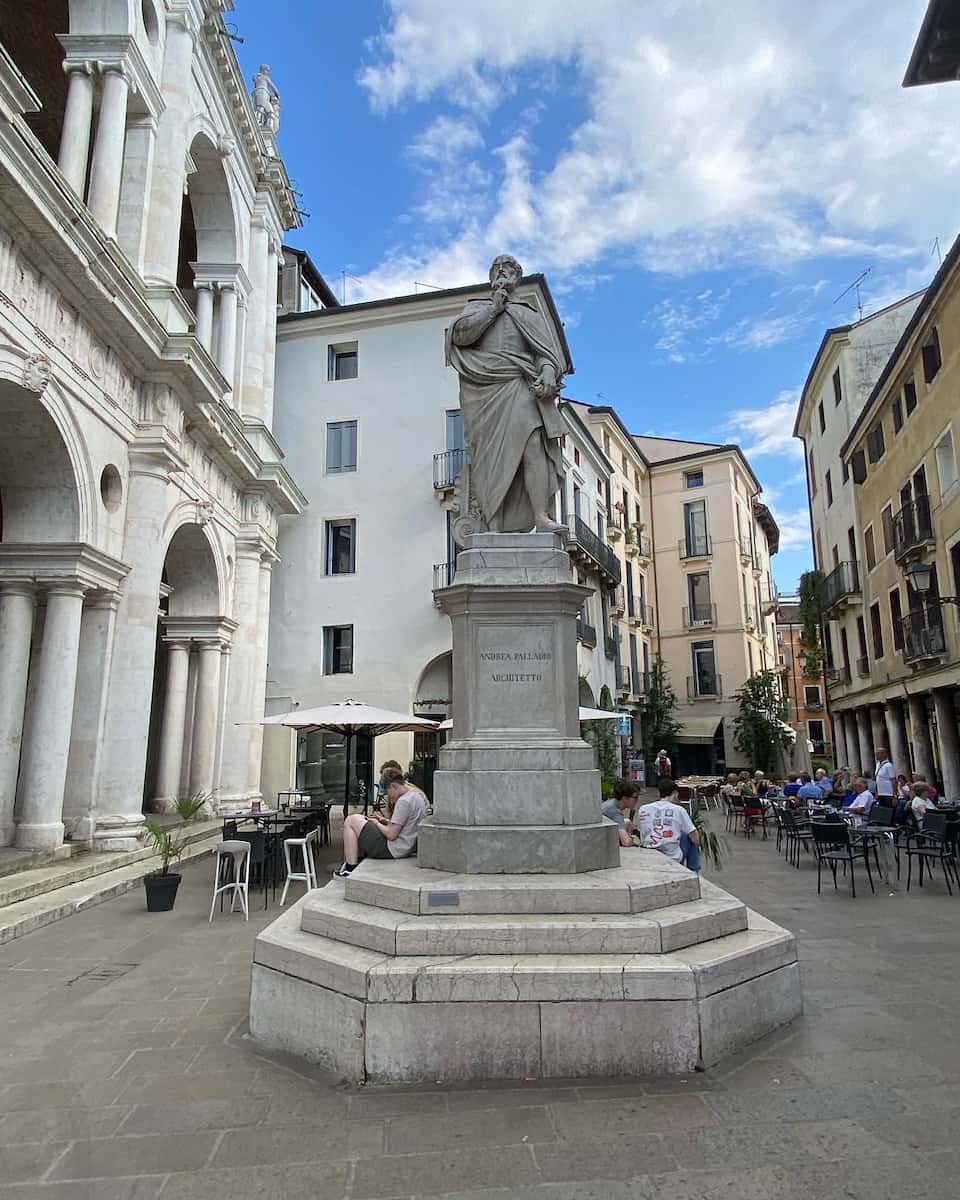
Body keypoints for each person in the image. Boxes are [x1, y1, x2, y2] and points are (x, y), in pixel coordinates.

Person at [447, 254, 567, 533]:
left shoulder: (528, 313)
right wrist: (493, 310)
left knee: (534, 444)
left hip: (518, 382)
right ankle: (494, 525)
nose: (502, 272)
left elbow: (545, 354)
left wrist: (548, 372)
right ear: (491, 277)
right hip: (483, 390)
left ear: (517, 277)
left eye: (509, 268)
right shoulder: (475, 308)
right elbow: (460, 337)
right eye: (497, 268)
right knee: (489, 458)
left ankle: (540, 517)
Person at [334, 770, 424, 877]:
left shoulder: (403, 801)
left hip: (393, 849)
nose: (388, 797)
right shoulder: (416, 795)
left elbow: (391, 834)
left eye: (387, 792)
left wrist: (377, 823)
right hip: (405, 847)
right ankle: (354, 861)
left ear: (393, 786)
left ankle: (349, 868)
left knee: (351, 821)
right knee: (360, 820)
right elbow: (405, 825)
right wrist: (384, 820)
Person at [633, 778, 699, 866]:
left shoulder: (643, 808)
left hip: (648, 853)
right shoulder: (679, 810)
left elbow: (641, 831)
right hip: (672, 857)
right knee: (688, 835)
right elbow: (695, 838)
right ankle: (694, 869)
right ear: (675, 793)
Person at [601, 779, 641, 847]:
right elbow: (626, 842)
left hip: (604, 831)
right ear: (625, 798)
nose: (638, 799)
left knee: (628, 822)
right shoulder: (615, 811)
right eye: (635, 797)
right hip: (600, 840)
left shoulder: (612, 803)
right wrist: (634, 840)